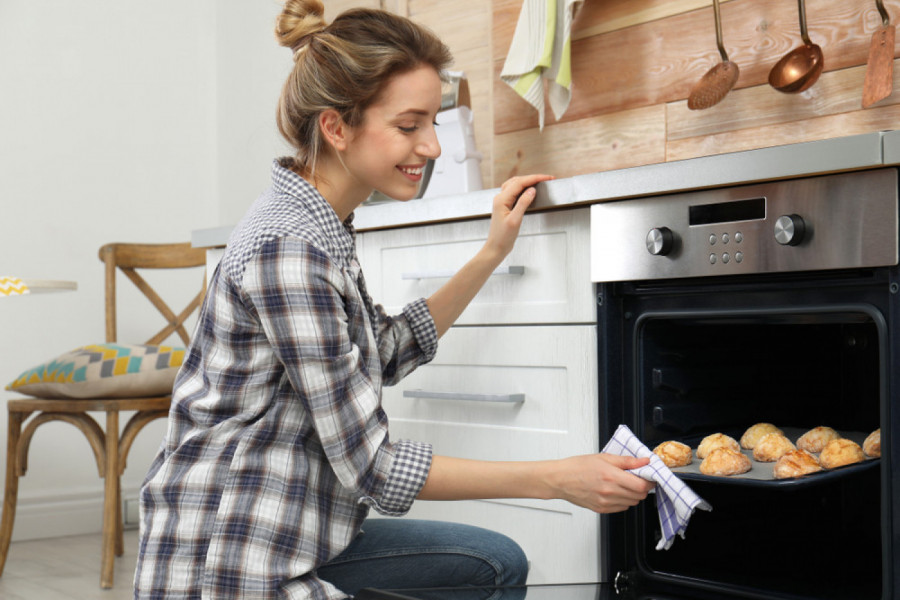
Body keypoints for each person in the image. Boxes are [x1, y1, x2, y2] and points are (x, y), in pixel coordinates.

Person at [133, 2, 655, 598]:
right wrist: (557, 478)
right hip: (233, 559)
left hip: (301, 530)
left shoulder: (324, 226)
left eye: (433, 122)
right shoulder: (289, 249)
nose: (431, 147)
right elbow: (373, 466)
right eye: (410, 126)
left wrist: (490, 254)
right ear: (336, 127)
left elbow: (382, 350)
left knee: (494, 563)